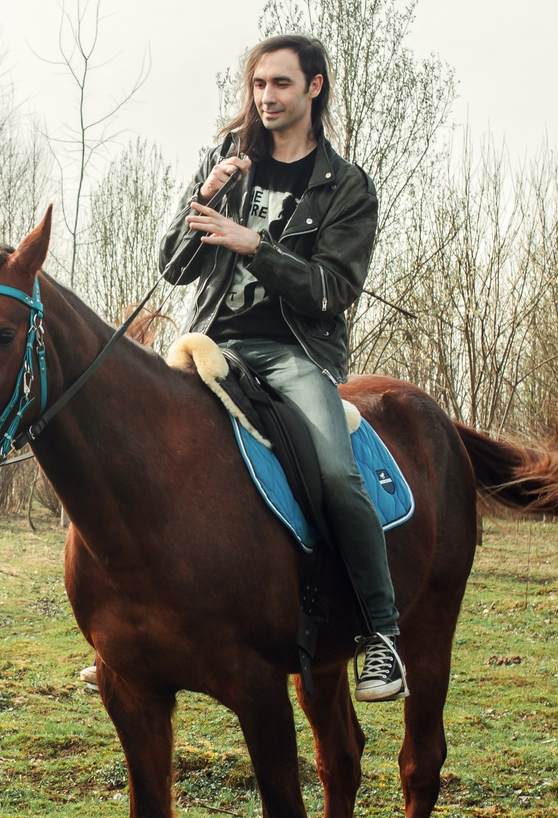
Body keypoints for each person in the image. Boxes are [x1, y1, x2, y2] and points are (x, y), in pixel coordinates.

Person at [157, 34, 404, 702]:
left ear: (315, 88)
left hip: (296, 354)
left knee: (332, 470)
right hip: (210, 341)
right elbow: (174, 267)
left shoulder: (347, 187)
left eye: (282, 84)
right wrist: (200, 202)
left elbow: (332, 291)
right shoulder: (227, 160)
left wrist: (255, 246)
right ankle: (136, 632)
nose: (266, 97)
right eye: (259, 84)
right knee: (137, 440)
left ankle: (382, 637)